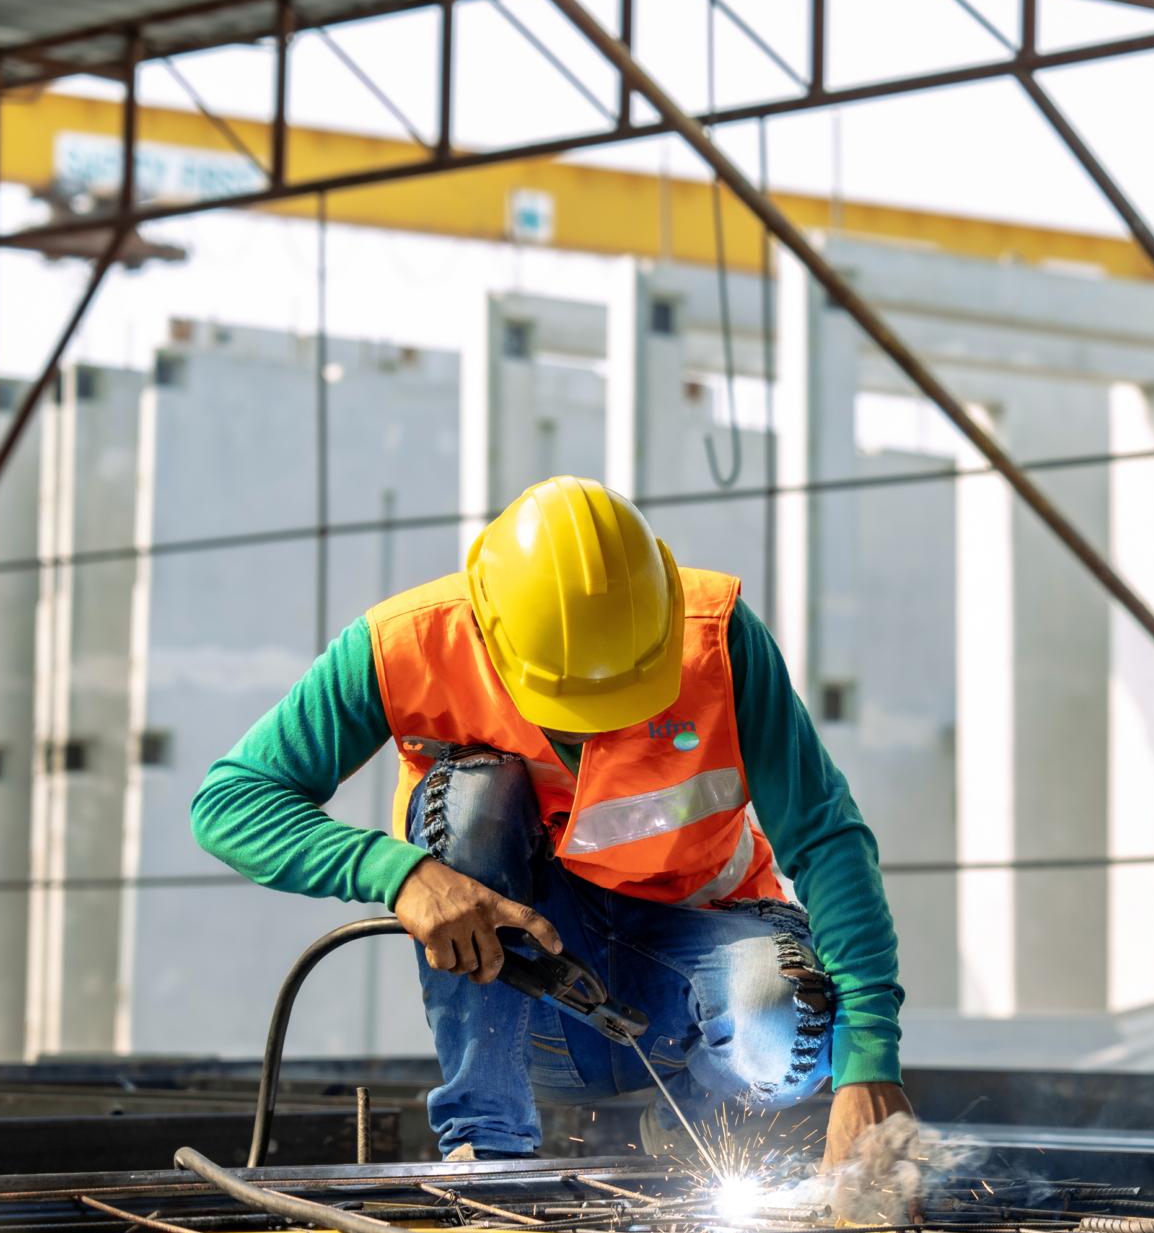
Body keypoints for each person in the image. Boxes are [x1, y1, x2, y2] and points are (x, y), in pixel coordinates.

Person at [191, 475, 913, 1169]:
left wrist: (869, 1065)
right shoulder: (407, 646)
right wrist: (401, 872)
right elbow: (229, 800)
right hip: (529, 992)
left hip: (689, 989)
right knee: (475, 799)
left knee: (785, 1017)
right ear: (490, 637)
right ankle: (488, 1142)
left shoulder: (718, 641)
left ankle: (693, 1127)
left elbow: (828, 838)